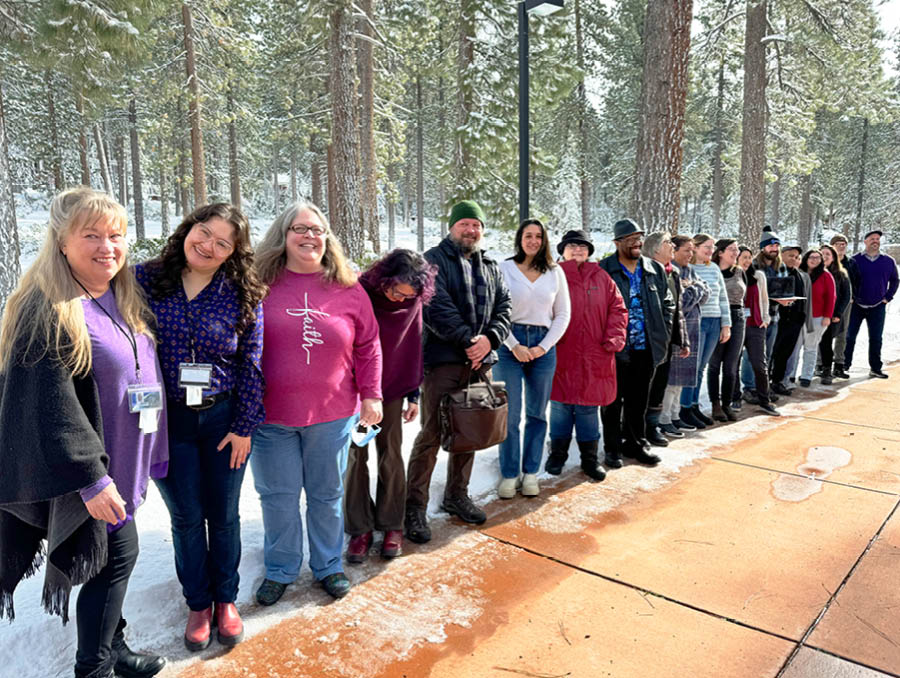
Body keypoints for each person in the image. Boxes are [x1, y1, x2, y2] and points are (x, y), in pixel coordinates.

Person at [0, 188, 168, 678]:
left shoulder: (119, 292)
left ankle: (115, 648)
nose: (106, 246)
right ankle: (93, 668)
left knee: (108, 564)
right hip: (92, 474)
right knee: (116, 560)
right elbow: (46, 406)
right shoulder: (47, 308)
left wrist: (152, 450)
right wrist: (90, 479)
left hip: (126, 458)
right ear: (61, 242)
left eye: (115, 235)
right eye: (91, 235)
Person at [135, 203, 265, 650]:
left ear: (233, 253)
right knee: (187, 518)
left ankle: (226, 600)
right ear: (188, 228)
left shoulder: (243, 294)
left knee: (224, 517)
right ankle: (198, 603)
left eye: (222, 242)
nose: (208, 245)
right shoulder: (145, 280)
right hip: (166, 421)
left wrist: (245, 425)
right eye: (204, 232)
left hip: (222, 421)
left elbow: (251, 364)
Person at [251, 202, 383, 603]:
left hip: (332, 414)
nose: (310, 236)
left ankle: (328, 565)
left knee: (326, 495)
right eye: (299, 229)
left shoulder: (348, 287)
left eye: (318, 230)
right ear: (283, 236)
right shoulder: (259, 283)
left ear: (327, 239)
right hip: (270, 417)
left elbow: (369, 345)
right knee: (278, 496)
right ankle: (281, 567)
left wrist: (372, 394)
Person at [404, 200, 511, 543]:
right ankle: (414, 508)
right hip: (444, 361)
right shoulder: (432, 261)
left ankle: (457, 495)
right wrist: (469, 340)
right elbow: (435, 306)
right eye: (464, 223)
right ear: (451, 226)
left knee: (470, 431)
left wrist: (490, 339)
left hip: (481, 363)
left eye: (476, 224)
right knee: (432, 434)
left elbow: (505, 307)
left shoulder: (492, 265)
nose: (471, 229)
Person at [344, 250, 436, 562]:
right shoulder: (360, 291)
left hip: (394, 388)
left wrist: (414, 394)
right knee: (356, 457)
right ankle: (360, 527)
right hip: (357, 391)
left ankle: (392, 524)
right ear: (385, 279)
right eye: (396, 291)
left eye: (408, 295)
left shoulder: (412, 301)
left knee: (391, 455)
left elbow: (414, 346)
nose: (400, 299)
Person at [495, 220, 570, 498]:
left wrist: (543, 347)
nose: (533, 241)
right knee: (510, 414)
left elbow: (563, 314)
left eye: (539, 236)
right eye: (528, 235)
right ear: (520, 238)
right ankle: (509, 473)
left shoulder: (554, 272)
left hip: (543, 345)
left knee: (537, 414)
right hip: (509, 344)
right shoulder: (504, 269)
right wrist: (514, 345)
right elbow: (496, 311)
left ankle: (530, 473)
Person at [545, 229, 626, 480]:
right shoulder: (552, 276)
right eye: (571, 246)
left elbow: (618, 309)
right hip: (562, 352)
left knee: (588, 410)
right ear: (562, 251)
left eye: (582, 246)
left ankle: (589, 459)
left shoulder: (602, 277)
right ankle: (557, 454)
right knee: (560, 407)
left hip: (595, 353)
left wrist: (614, 337)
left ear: (589, 251)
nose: (577, 250)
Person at [598, 219, 674, 467]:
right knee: (611, 402)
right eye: (630, 239)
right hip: (615, 349)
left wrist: (664, 331)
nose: (636, 243)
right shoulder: (604, 270)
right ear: (617, 243)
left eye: (639, 238)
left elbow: (667, 303)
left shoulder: (654, 269)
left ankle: (636, 444)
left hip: (647, 346)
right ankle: (612, 449)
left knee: (638, 400)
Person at [678, 233, 731, 427]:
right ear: (696, 248)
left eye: (712, 247)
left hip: (714, 321)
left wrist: (726, 324)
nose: (711, 251)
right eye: (706, 247)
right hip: (696, 322)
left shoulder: (715, 268)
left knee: (701, 368)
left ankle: (693, 405)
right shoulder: (688, 268)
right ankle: (684, 407)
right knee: (692, 366)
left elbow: (723, 298)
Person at [642, 232, 688, 446]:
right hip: (647, 341)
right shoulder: (643, 271)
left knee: (659, 386)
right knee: (643, 387)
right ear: (655, 249)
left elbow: (677, 308)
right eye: (668, 242)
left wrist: (683, 338)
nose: (672, 246)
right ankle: (636, 430)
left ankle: (652, 427)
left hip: (667, 341)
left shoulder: (674, 273)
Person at [662, 236, 710, 435]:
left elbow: (706, 294)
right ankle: (664, 419)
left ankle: (675, 416)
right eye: (686, 250)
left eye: (692, 251)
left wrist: (694, 287)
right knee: (671, 380)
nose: (690, 254)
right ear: (674, 251)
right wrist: (696, 288)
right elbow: (683, 302)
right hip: (678, 332)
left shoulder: (689, 271)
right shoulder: (669, 271)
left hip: (692, 331)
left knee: (681, 381)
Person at [843, 230, 898, 379]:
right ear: (865, 241)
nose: (876, 241)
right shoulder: (854, 260)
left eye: (878, 239)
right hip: (856, 305)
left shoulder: (888, 261)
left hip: (878, 306)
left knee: (876, 338)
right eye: (872, 239)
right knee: (849, 336)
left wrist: (888, 297)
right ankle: (844, 366)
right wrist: (851, 297)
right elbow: (847, 280)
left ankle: (875, 368)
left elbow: (895, 281)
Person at [707, 239, 745, 422]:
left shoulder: (739, 272)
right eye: (731, 249)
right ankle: (715, 403)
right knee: (715, 364)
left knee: (731, 365)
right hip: (717, 316)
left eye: (737, 249)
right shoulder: (711, 270)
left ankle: (727, 404)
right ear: (720, 252)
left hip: (738, 317)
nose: (735, 252)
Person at [742, 253, 779, 415]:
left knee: (759, 364)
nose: (747, 261)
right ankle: (735, 398)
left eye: (749, 257)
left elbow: (764, 299)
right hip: (737, 324)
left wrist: (765, 317)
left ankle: (765, 400)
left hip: (755, 324)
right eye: (743, 257)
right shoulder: (731, 275)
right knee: (731, 364)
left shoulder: (758, 275)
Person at [771, 245, 810, 395]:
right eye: (790, 255)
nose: (793, 259)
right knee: (773, 352)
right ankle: (766, 383)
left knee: (785, 353)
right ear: (782, 255)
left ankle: (778, 381)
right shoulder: (778, 272)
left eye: (796, 256)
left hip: (795, 320)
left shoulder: (799, 274)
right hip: (779, 320)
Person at [797, 249, 836, 387]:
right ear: (806, 259)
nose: (815, 260)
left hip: (817, 318)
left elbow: (831, 298)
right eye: (812, 257)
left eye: (818, 258)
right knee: (794, 348)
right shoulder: (799, 273)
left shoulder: (826, 276)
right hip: (799, 316)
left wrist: (827, 316)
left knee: (810, 347)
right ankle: (789, 376)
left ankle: (806, 376)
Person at [817, 244, 851, 386]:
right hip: (815, 314)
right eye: (822, 254)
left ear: (833, 257)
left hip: (833, 315)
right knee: (817, 342)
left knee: (826, 342)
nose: (824, 257)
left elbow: (846, 296)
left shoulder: (841, 274)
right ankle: (814, 368)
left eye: (828, 254)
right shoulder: (812, 272)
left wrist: (838, 313)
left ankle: (827, 370)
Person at [828, 234, 859, 379]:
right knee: (824, 334)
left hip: (845, 303)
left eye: (844, 244)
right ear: (832, 245)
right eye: (838, 244)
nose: (842, 246)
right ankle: (821, 364)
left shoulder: (851, 263)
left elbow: (857, 281)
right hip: (827, 303)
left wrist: (853, 297)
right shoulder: (826, 261)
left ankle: (839, 365)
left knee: (842, 333)